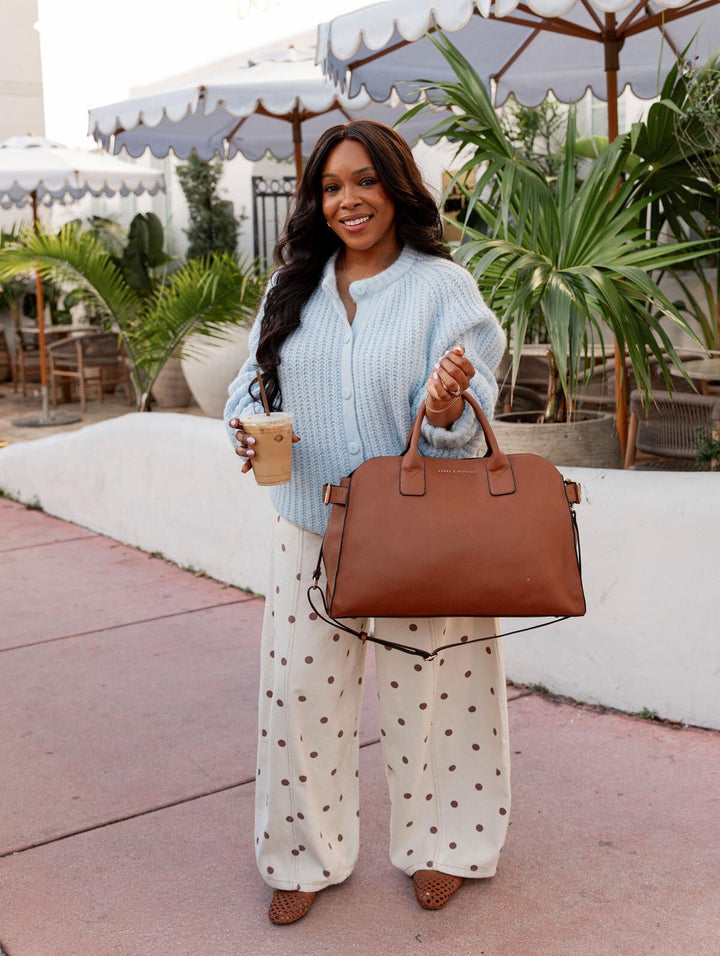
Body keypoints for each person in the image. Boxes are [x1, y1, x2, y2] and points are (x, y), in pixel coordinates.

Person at [225, 120, 509, 926]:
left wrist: (451, 403)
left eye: (365, 181)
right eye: (331, 186)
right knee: (299, 694)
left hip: (421, 526)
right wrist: (247, 428)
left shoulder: (439, 289)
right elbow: (250, 388)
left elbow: (478, 400)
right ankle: (302, 856)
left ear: (396, 187)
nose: (347, 199)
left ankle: (445, 845)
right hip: (309, 521)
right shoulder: (292, 289)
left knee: (437, 688)